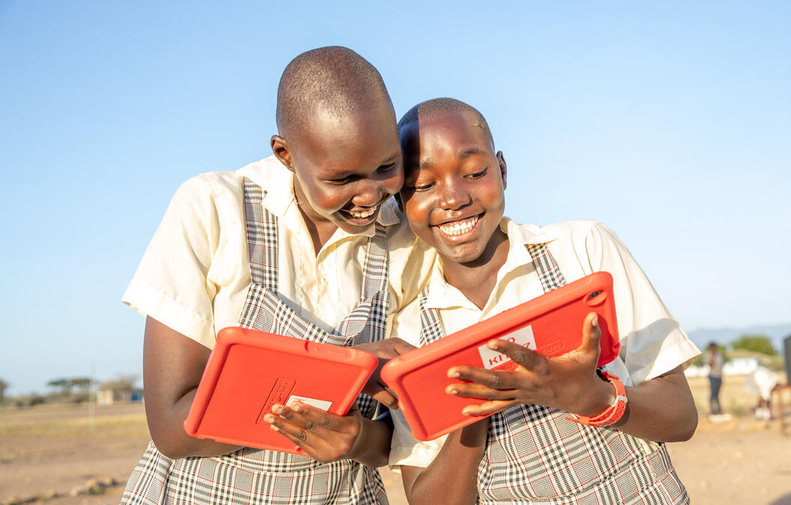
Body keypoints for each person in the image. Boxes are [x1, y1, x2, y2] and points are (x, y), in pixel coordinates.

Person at [119, 46, 432, 505]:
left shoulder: (407, 241)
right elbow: (174, 428)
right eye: (342, 178)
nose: (370, 194)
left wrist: (358, 436)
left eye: (387, 167)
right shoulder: (213, 209)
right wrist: (347, 370)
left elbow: (398, 435)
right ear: (285, 154)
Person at [388, 98, 700, 504]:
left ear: (501, 170)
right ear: (399, 202)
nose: (453, 198)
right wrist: (474, 411)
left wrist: (590, 397)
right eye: (424, 185)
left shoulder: (581, 250)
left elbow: (681, 416)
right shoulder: (410, 330)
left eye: (474, 173)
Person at [704, 342, 724, 416]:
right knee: (713, 393)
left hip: (719, 376)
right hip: (712, 376)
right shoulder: (708, 355)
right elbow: (710, 365)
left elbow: (721, 365)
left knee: (717, 393)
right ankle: (712, 409)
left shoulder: (719, 355)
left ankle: (718, 409)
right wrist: (712, 356)